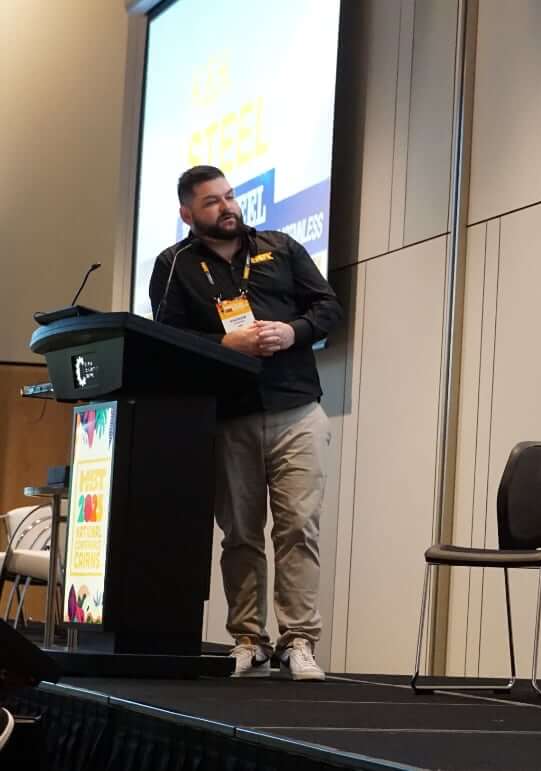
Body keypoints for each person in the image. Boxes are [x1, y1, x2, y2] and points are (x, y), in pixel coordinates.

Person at [149, 165, 342, 681]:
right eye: (212, 202)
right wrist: (223, 344)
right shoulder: (174, 264)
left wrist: (294, 331)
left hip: (296, 408)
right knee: (240, 534)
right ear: (187, 214)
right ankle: (250, 640)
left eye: (229, 196)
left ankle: (299, 640)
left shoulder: (280, 247)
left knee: (298, 528)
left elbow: (328, 308)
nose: (227, 207)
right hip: (229, 416)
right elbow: (166, 341)